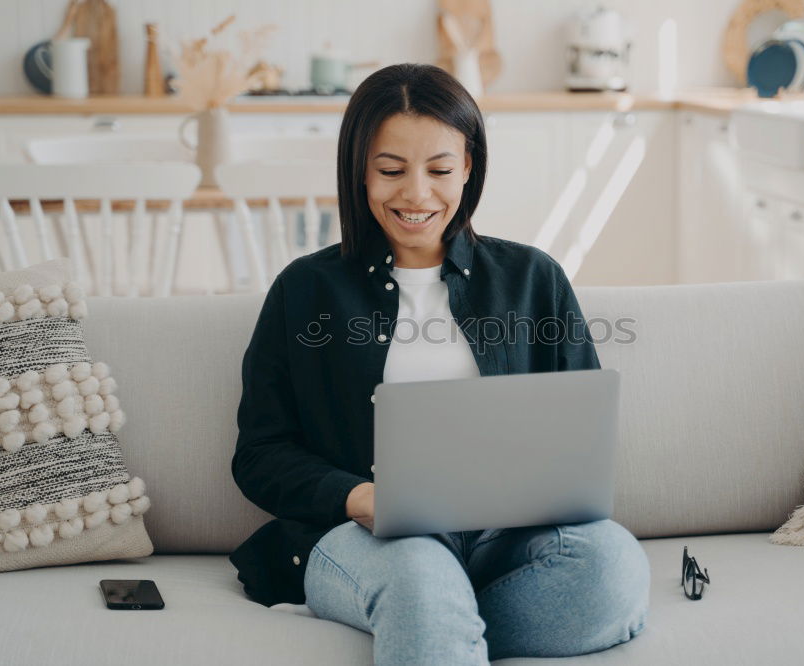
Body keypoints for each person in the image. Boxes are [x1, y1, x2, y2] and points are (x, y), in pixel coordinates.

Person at [229, 63, 650, 665]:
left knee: (611, 569)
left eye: (440, 170)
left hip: (505, 542)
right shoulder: (306, 290)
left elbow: (582, 433)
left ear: (469, 169)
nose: (417, 195)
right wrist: (359, 497)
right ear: (359, 172)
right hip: (368, 541)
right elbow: (259, 455)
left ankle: (432, 624)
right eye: (391, 170)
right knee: (420, 577)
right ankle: (425, 609)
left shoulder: (533, 279)